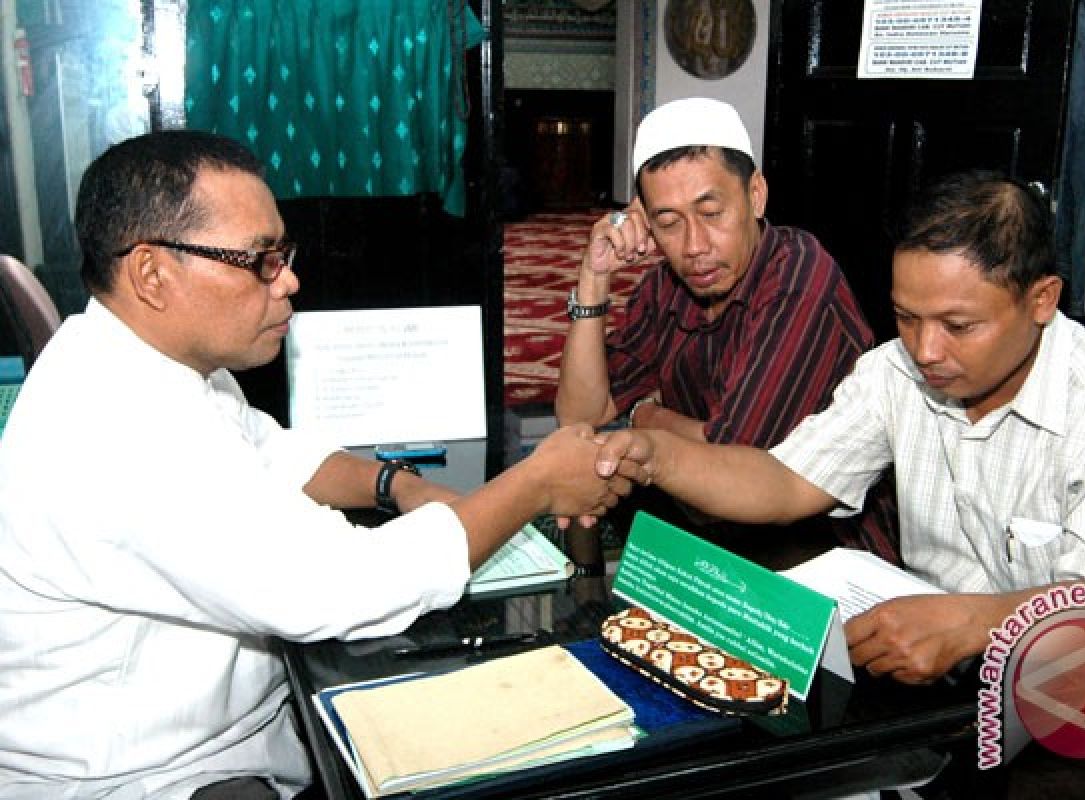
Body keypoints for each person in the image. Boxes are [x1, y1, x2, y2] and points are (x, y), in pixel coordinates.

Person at [0, 131, 638, 799]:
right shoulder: (120, 427)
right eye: (259, 261)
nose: (290, 280)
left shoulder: (151, 361)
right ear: (152, 274)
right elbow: (342, 586)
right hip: (154, 781)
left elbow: (273, 450)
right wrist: (534, 483)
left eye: (284, 253)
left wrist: (399, 485)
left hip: (230, 733)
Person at [602, 170, 1085, 797]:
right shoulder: (895, 373)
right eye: (907, 318)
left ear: (1042, 299)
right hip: (953, 671)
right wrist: (655, 455)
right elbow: (782, 481)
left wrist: (975, 624)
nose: (926, 350)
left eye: (958, 326)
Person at [555, 96, 896, 568]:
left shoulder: (799, 280)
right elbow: (581, 415)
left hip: (820, 559)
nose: (694, 247)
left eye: (712, 214)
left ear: (755, 195)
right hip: (710, 536)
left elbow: (735, 462)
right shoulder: (664, 286)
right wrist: (593, 279)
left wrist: (644, 418)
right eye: (668, 222)